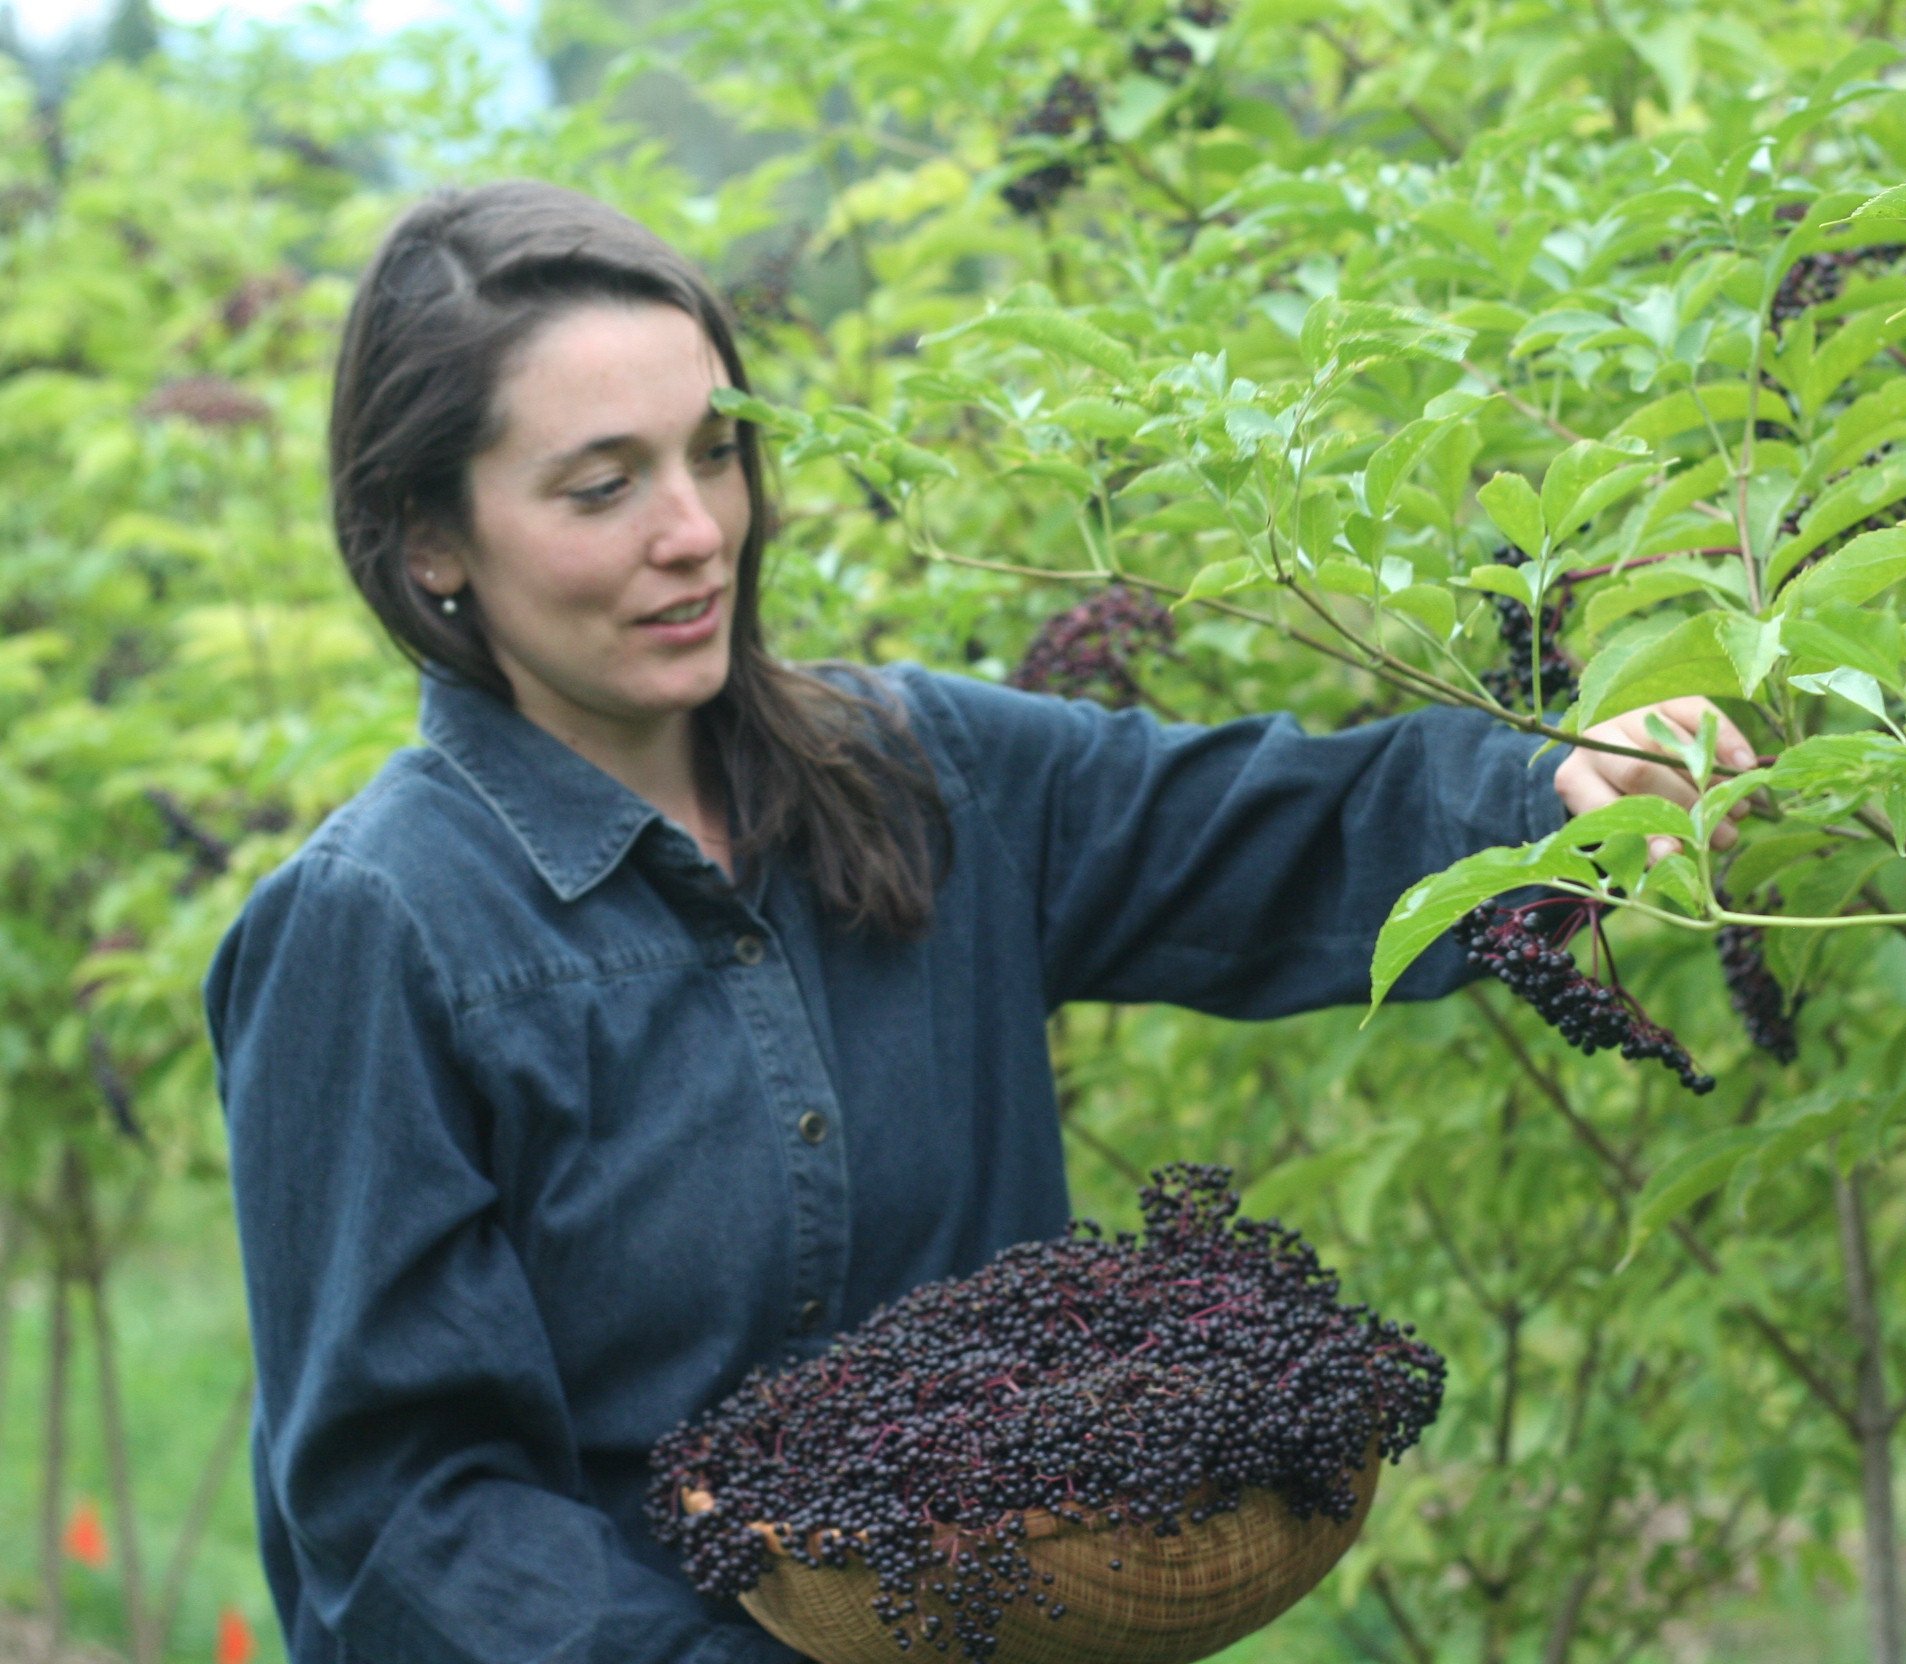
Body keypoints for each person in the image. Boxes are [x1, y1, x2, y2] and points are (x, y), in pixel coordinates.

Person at [204, 179, 1752, 1664]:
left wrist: (1554, 790)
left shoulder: (918, 776)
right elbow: (411, 1520)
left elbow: (1276, 834)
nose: (695, 532)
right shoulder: (377, 932)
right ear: (429, 539)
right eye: (602, 487)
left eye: (718, 453)